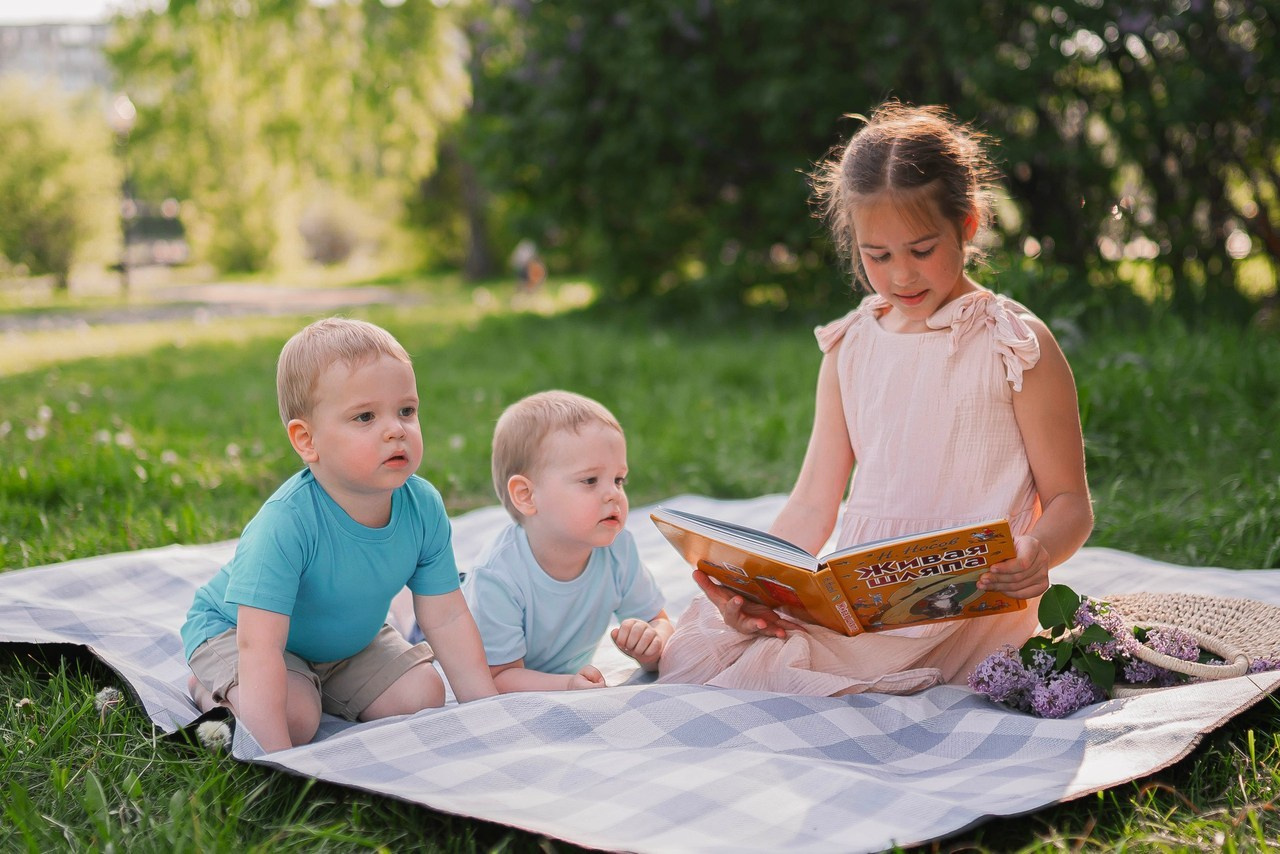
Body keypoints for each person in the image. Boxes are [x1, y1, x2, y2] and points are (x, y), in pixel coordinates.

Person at [657, 102, 1094, 697]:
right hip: (867, 595)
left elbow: (1070, 501)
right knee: (712, 645)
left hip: (972, 603)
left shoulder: (1014, 345)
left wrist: (1038, 553)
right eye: (876, 256)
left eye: (920, 250)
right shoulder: (851, 347)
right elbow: (814, 505)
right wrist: (759, 584)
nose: (900, 277)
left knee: (774, 673)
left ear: (967, 225)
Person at [181, 317, 497, 752]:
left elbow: (446, 616)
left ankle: (318, 683)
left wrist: (490, 712)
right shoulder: (287, 522)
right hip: (240, 634)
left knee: (422, 693)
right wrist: (278, 761)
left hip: (348, 644)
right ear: (307, 440)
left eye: (406, 410)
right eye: (365, 416)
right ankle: (207, 687)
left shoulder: (423, 508)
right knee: (294, 718)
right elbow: (259, 645)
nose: (395, 429)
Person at [463, 390, 674, 691]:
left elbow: (660, 621)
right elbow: (498, 677)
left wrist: (652, 645)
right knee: (423, 628)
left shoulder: (618, 549)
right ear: (527, 495)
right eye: (590, 480)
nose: (613, 493)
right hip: (452, 635)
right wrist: (567, 686)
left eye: (619, 479)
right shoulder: (497, 577)